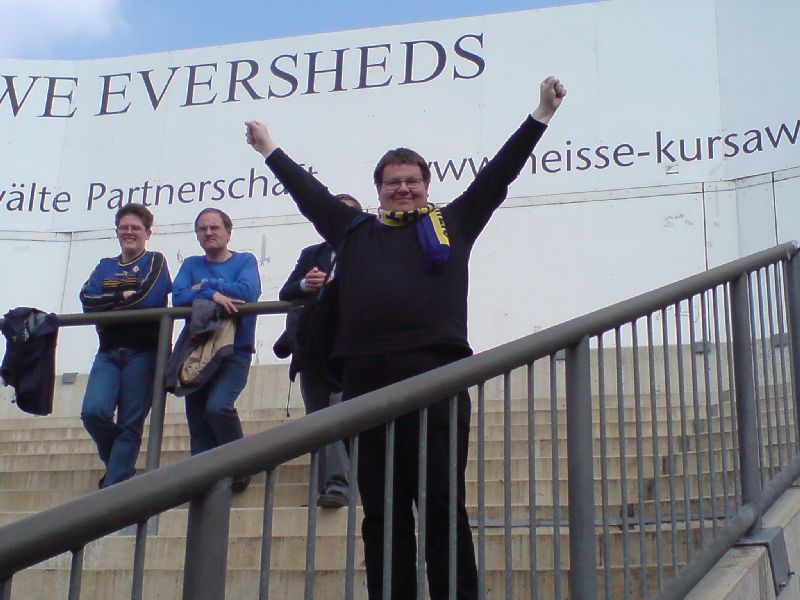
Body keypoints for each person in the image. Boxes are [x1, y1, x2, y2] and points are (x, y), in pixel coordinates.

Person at [245, 75, 566, 599]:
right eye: (393, 182)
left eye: (412, 180)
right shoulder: (353, 231)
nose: (403, 188)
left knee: (442, 506)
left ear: (426, 185)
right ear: (378, 189)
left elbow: (498, 175)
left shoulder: (452, 224)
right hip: (367, 387)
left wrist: (542, 114)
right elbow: (310, 194)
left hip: (437, 383)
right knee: (382, 512)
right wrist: (269, 149)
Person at [277, 193, 362, 508]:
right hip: (312, 349)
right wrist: (306, 284)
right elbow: (287, 290)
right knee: (319, 419)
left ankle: (340, 484)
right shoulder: (312, 253)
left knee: (338, 416)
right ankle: (331, 486)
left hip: (350, 348)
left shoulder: (368, 248)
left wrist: (334, 283)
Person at [80, 204, 171, 488]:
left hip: (144, 352)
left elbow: (147, 299)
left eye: (135, 228)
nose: (129, 232)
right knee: (93, 412)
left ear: (147, 233)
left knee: (130, 424)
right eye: (124, 227)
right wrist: (122, 297)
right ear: (117, 232)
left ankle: (112, 489)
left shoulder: (155, 261)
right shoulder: (105, 266)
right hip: (108, 351)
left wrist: (109, 303)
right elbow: (87, 301)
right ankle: (120, 467)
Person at [172, 207, 261, 491]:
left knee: (218, 407)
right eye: (203, 229)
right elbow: (178, 296)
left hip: (235, 349)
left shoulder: (245, 260)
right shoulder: (190, 264)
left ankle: (240, 467)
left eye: (215, 227)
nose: (209, 233)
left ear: (228, 232)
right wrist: (214, 294)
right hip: (197, 350)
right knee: (198, 420)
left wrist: (204, 287)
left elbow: (248, 292)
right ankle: (204, 481)